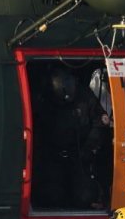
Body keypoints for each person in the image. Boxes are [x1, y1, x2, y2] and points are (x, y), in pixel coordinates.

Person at [32, 66, 111, 209]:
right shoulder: (45, 101)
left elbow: (99, 122)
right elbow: (38, 126)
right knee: (50, 194)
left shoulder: (85, 97)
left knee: (84, 195)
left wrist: (89, 148)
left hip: (80, 153)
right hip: (52, 154)